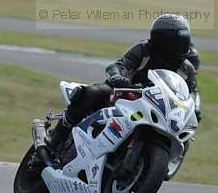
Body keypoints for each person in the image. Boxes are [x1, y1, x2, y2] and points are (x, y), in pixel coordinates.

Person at [47, 13, 201, 151]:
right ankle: (58, 135)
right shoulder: (144, 49)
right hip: (127, 94)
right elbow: (119, 65)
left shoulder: (186, 68)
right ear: (162, 41)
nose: (181, 48)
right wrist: (116, 77)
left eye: (184, 42)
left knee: (184, 132)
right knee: (93, 92)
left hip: (159, 107)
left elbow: (191, 93)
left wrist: (193, 110)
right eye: (176, 43)